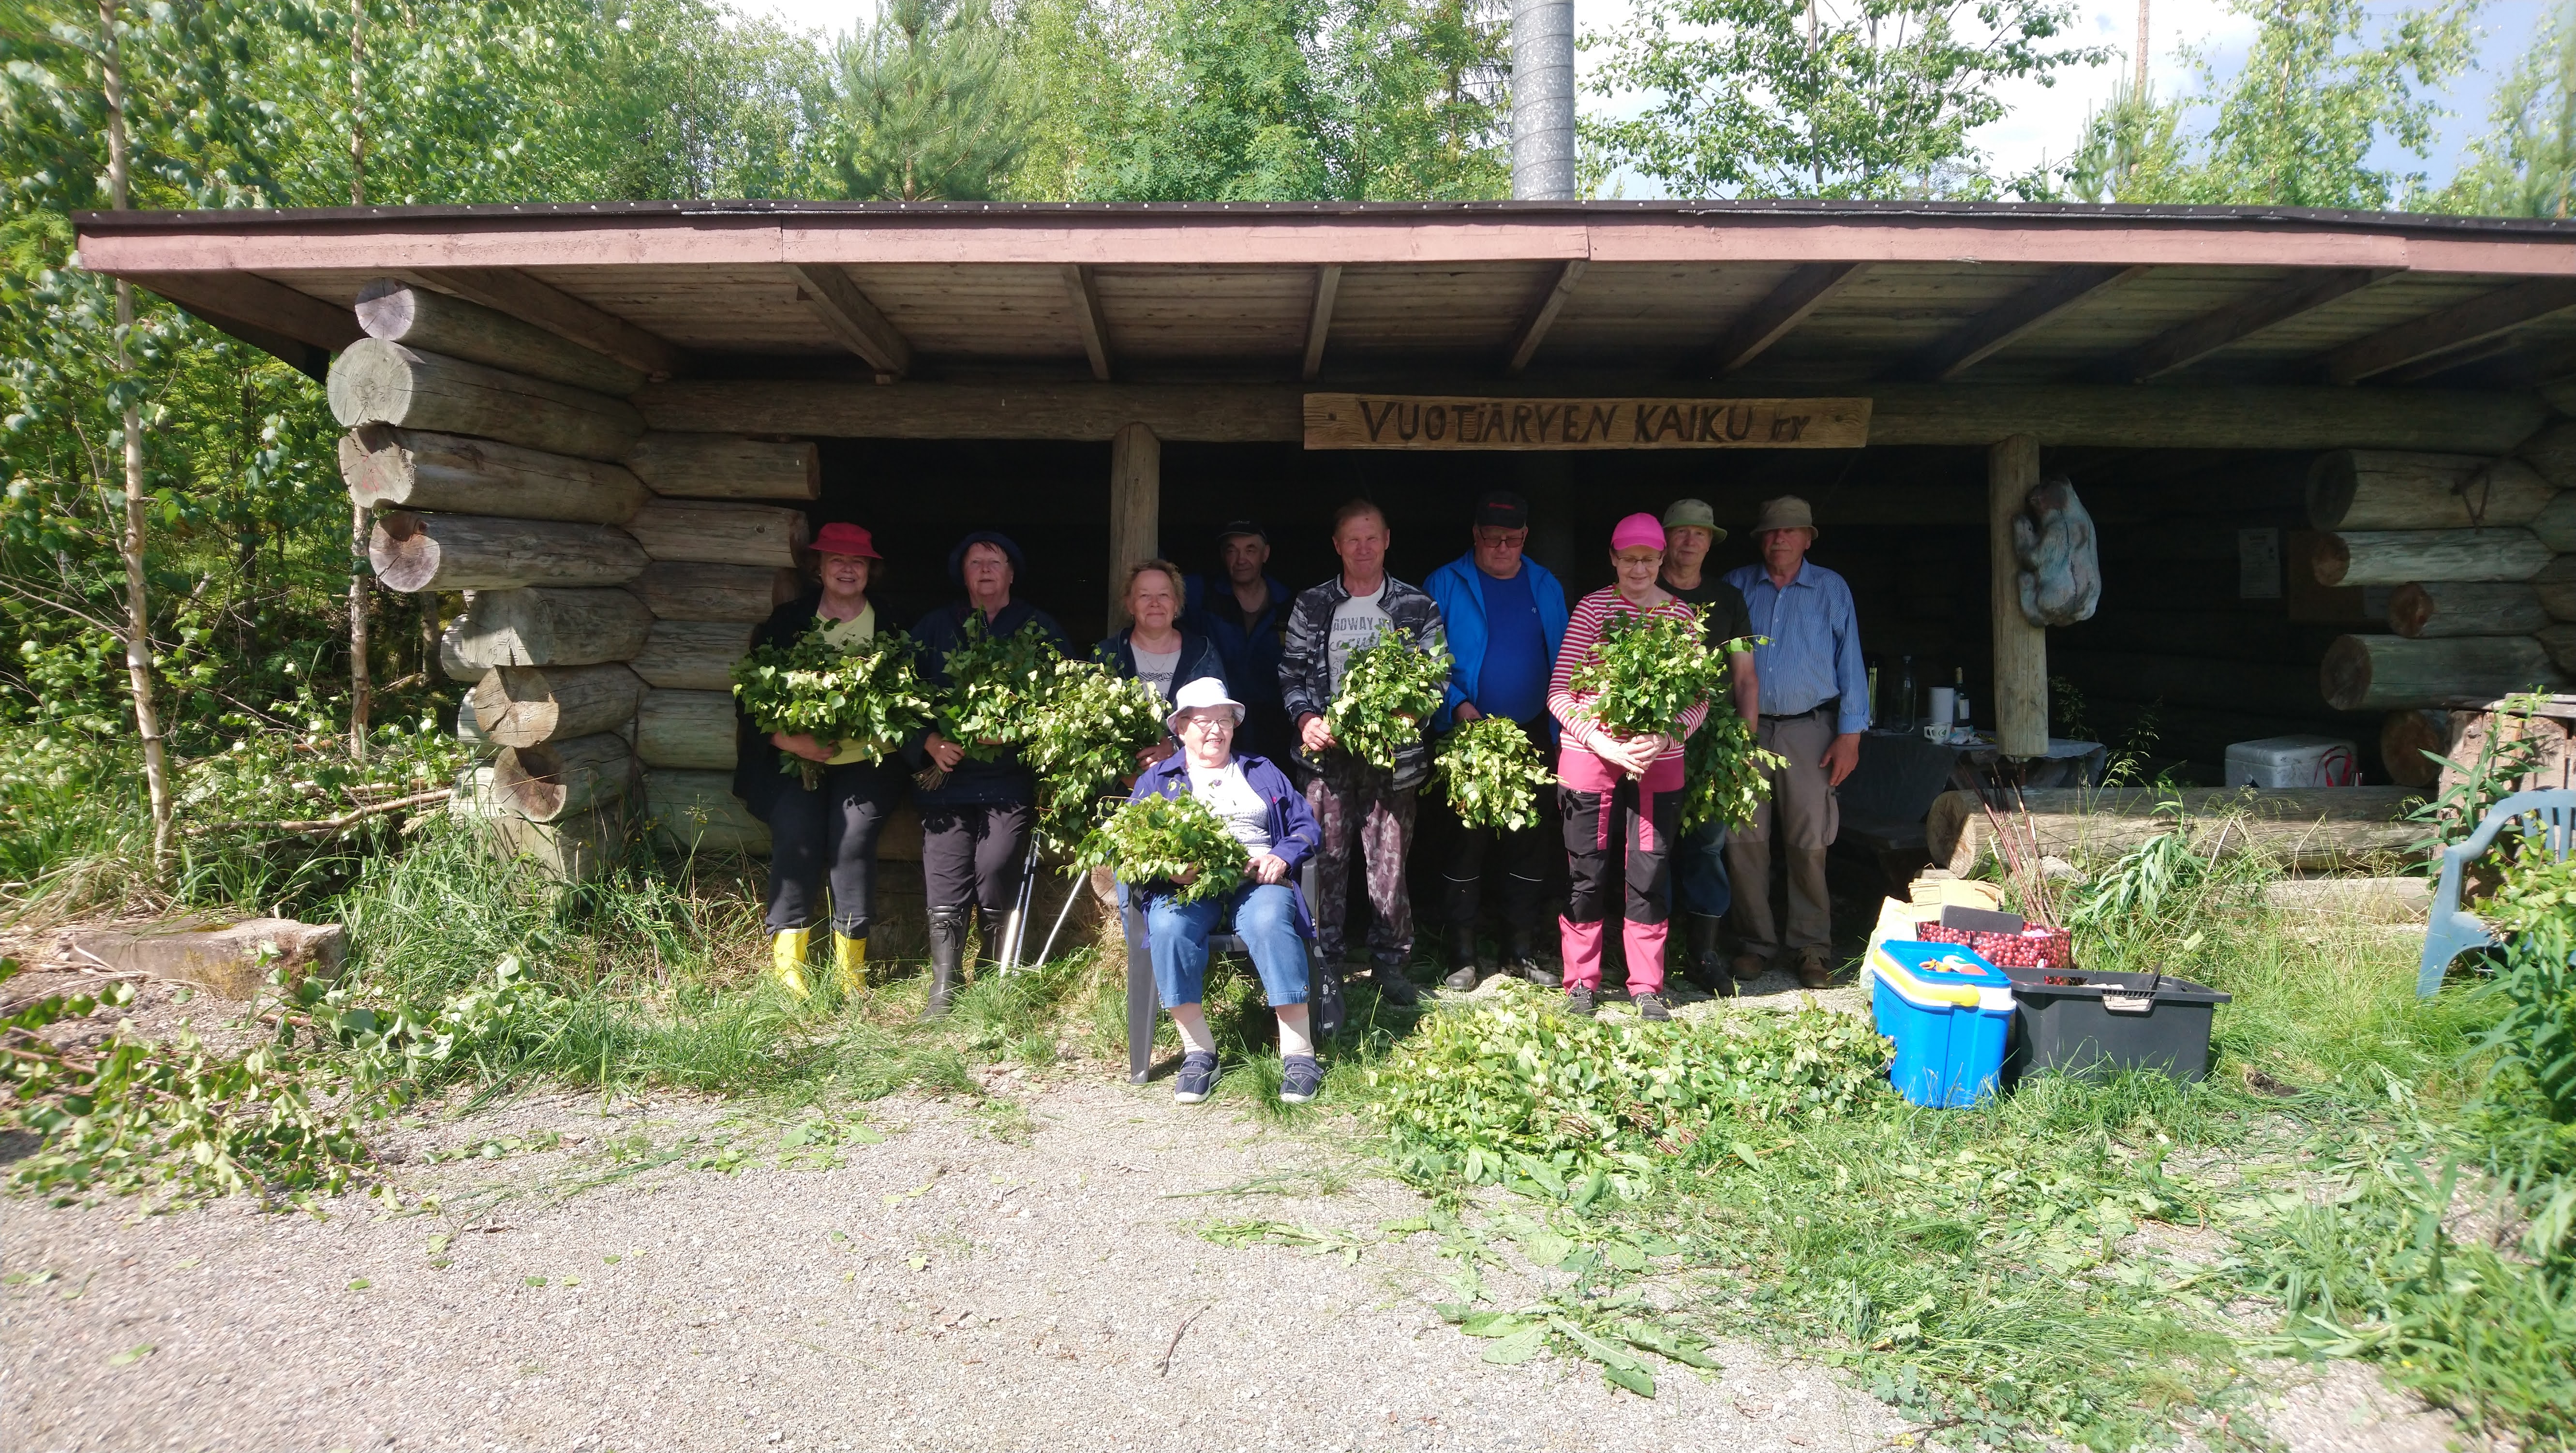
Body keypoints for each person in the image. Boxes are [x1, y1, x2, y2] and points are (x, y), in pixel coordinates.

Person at [1278, 500, 1447, 1023]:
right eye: (1353, 539)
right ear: (1337, 545)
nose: (1363, 548)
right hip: (1325, 761)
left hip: (1392, 761)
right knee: (1324, 863)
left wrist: (1406, 712)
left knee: (1390, 866)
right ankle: (1324, 961)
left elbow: (1437, 679)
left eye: (1372, 538)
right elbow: (1289, 675)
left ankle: (1391, 963)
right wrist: (1307, 719)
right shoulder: (1312, 603)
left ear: (1388, 540)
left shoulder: (1417, 606)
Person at [1122, 678, 1327, 1106]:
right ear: (1180, 728)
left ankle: (1299, 1055)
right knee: (1168, 927)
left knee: (1271, 921)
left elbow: (1306, 825)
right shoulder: (1157, 780)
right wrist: (1170, 870)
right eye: (1203, 721)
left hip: (1257, 878)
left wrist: (1284, 856)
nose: (1215, 730)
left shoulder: (1261, 770)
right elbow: (1127, 846)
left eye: (1224, 721)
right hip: (1188, 886)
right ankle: (1199, 1053)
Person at [1547, 514, 1711, 1021]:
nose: (1639, 568)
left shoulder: (1681, 616)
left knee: (1649, 868)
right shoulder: (1594, 609)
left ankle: (1647, 985)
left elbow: (1699, 699)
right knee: (1586, 868)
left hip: (1659, 760)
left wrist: (1665, 735)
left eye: (1648, 559)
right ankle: (1581, 981)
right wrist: (1599, 739)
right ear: (1614, 559)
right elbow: (1559, 692)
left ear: (1662, 560)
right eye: (1629, 558)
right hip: (1590, 755)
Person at [905, 531, 1069, 1016]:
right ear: (964, 573)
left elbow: (1065, 700)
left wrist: (1018, 731)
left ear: (1011, 573)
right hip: (946, 781)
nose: (985, 569)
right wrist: (929, 744)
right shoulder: (935, 628)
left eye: (994, 561)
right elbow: (899, 700)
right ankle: (945, 983)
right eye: (975, 562)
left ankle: (995, 968)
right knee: (946, 876)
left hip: (1006, 781)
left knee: (995, 868)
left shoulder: (1038, 628)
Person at [731, 521, 897, 1000]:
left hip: (867, 758)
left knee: (853, 842)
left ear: (870, 570)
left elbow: (911, 693)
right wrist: (790, 741)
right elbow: (751, 695)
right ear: (818, 567)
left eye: (858, 562)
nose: (848, 569)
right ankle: (790, 970)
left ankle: (851, 971)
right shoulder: (789, 621)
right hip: (794, 754)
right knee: (798, 836)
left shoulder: (890, 621)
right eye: (838, 561)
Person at [1424, 489, 1569, 991]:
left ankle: (1519, 950)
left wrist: (1560, 729)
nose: (1502, 547)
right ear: (1475, 535)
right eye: (1492, 538)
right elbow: (1424, 661)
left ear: (1526, 537)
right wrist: (1458, 706)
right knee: (1465, 841)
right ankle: (1461, 953)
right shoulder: (1445, 582)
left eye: (1512, 539)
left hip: (1532, 729)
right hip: (1468, 728)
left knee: (1529, 841)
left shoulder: (1546, 584)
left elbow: (1567, 661)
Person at [1722, 496, 1868, 989]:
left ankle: (1811, 947)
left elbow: (1851, 662)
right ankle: (1754, 943)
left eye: (1789, 532)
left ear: (1808, 537)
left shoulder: (1830, 588)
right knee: (1744, 840)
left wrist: (1851, 733)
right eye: (1769, 532)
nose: (1778, 539)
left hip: (1811, 729)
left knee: (1810, 841)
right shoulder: (1738, 586)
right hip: (1748, 729)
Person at [1657, 498, 1762, 997]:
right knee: (1650, 847)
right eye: (1681, 532)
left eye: (1700, 534)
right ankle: (1648, 953)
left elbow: (1744, 676)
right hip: (1651, 740)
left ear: (1709, 542)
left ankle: (1704, 953)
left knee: (1706, 846)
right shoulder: (1643, 590)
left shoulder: (1729, 598)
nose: (1690, 541)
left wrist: (1743, 742)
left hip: (1712, 741)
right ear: (1665, 539)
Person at [1184, 521, 1292, 765]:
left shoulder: (1288, 603)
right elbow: (1161, 582)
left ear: (1266, 554)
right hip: (1216, 722)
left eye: (1251, 550)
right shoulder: (1202, 595)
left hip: (1276, 723)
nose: (1241, 559)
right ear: (1223, 556)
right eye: (1232, 550)